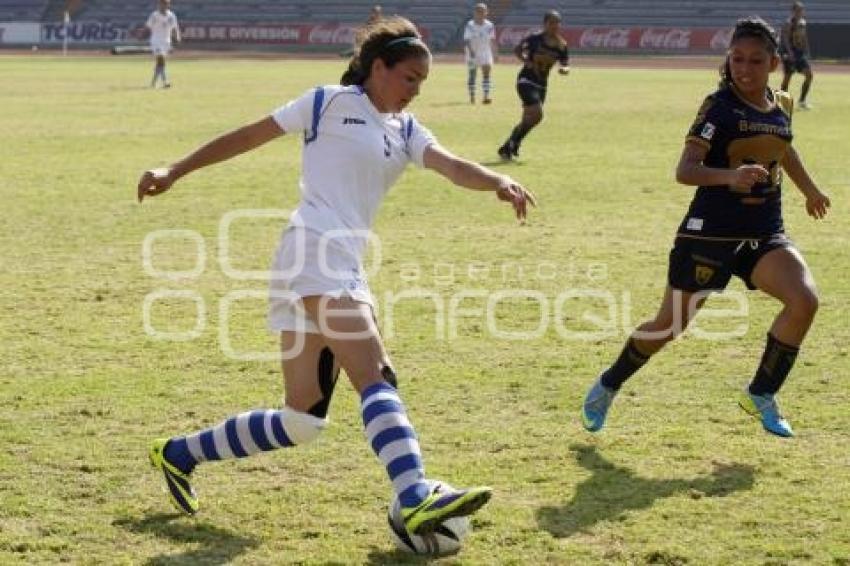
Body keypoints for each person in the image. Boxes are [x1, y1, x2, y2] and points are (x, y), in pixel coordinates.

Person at [137, 17, 536, 536]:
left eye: (422, 82)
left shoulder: (407, 130)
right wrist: (175, 169)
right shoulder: (326, 103)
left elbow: (453, 165)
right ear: (378, 67)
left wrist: (498, 181)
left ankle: (177, 453)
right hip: (312, 251)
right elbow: (247, 136)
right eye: (409, 77)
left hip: (339, 263)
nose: (415, 90)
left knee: (302, 420)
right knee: (374, 371)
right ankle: (414, 494)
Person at [580, 17, 830, 439]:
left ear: (773, 63)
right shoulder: (718, 107)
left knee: (804, 300)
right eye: (737, 59)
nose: (744, 69)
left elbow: (784, 149)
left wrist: (810, 190)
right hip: (710, 233)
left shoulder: (782, 102)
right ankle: (608, 384)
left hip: (764, 232)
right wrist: (730, 177)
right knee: (668, 327)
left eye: (754, 61)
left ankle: (761, 394)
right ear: (728, 60)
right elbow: (685, 170)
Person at [497, 10, 569, 161]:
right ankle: (513, 143)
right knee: (537, 114)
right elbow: (517, 50)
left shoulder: (562, 45)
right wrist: (526, 61)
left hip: (542, 85)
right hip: (526, 80)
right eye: (551, 22)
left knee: (528, 119)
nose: (554, 26)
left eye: (557, 23)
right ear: (545, 24)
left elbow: (565, 63)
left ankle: (509, 147)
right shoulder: (534, 39)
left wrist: (564, 69)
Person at [779, 1, 814, 109]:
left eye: (801, 10)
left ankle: (802, 101)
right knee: (787, 77)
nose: (799, 12)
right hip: (789, 53)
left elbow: (804, 38)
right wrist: (789, 52)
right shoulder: (789, 23)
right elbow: (785, 39)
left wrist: (807, 50)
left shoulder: (803, 23)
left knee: (809, 75)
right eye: (797, 10)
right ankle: (781, 102)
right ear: (793, 11)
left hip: (800, 53)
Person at [463, 3, 497, 104]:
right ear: (475, 13)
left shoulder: (490, 25)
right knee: (472, 75)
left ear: (486, 13)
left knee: (486, 74)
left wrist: (495, 52)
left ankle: (486, 96)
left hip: (485, 52)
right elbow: (467, 40)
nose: (480, 13)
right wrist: (471, 51)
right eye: (478, 11)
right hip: (472, 53)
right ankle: (472, 97)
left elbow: (492, 40)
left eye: (482, 11)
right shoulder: (470, 25)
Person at [145, 0, 180, 88]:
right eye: (162, 3)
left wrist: (177, 37)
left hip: (166, 41)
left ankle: (153, 83)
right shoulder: (154, 15)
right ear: (159, 4)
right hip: (156, 40)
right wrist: (142, 34)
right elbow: (148, 26)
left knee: (160, 63)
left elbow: (175, 27)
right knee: (161, 59)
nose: (164, 5)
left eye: (166, 4)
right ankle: (165, 82)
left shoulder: (171, 15)